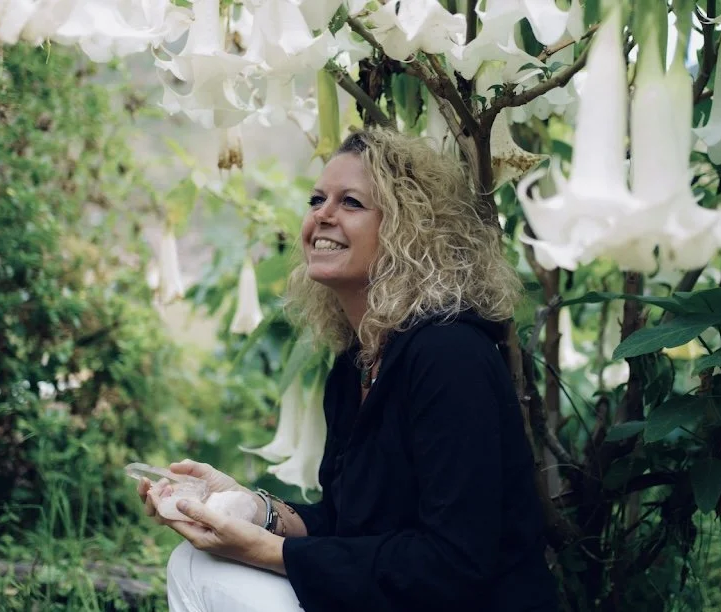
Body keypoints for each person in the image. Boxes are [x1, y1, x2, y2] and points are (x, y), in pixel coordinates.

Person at [138, 128, 559, 611]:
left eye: (351, 203)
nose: (322, 214)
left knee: (211, 574)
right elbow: (346, 526)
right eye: (317, 198)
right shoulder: (358, 362)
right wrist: (252, 509)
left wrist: (266, 550)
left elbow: (455, 563)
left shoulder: (449, 356)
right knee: (195, 562)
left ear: (410, 227)